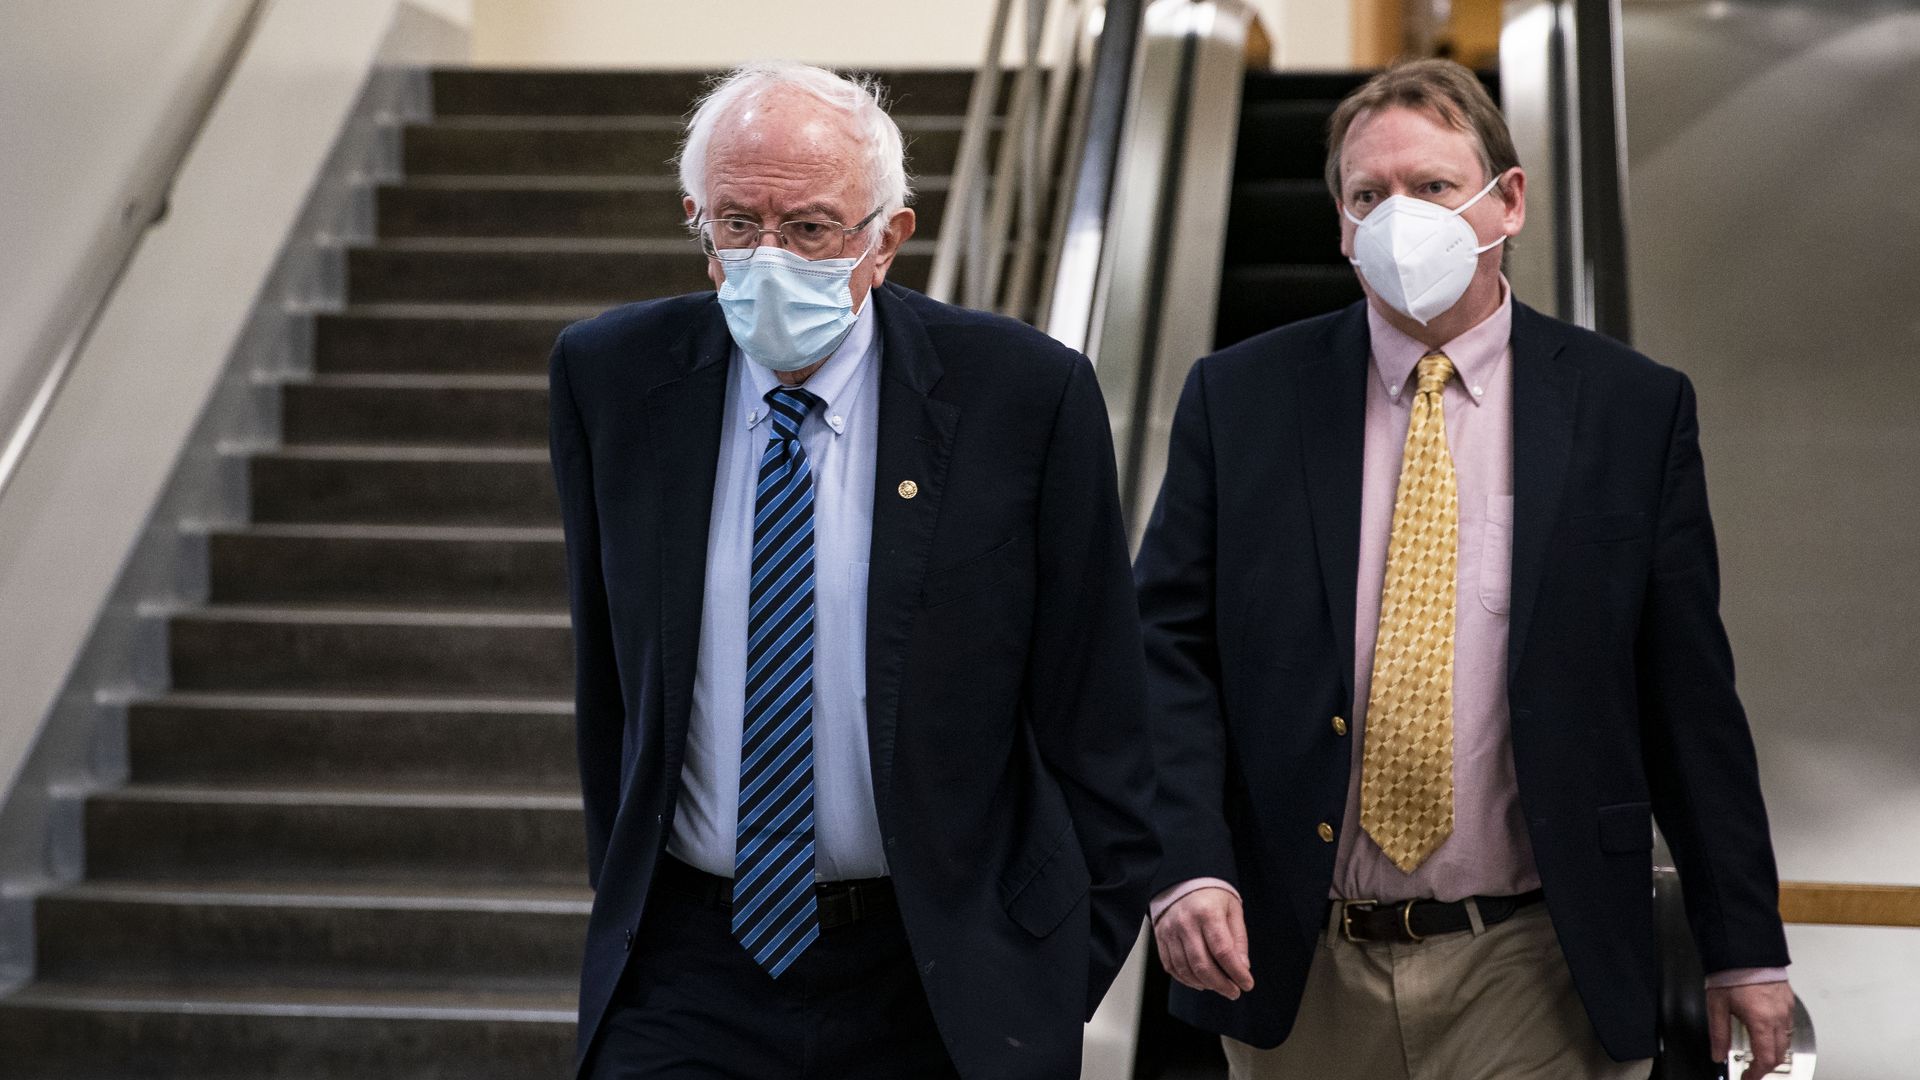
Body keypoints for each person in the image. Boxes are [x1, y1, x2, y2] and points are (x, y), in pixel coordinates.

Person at [1135, 60, 1795, 1079]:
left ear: (1509, 201)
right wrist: (1183, 867)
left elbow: (1688, 694)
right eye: (1368, 196)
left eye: (1433, 187)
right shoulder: (1242, 400)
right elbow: (1162, 655)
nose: (1401, 219)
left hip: (1538, 963)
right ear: (1344, 228)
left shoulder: (1629, 410)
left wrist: (1742, 944)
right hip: (1300, 966)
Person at [547, 61, 1158, 1080]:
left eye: (812, 228)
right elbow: (611, 688)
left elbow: (1100, 719)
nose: (769, 258)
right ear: (699, 225)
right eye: (738, 223)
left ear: (888, 239)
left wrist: (1044, 974)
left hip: (935, 969)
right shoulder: (612, 379)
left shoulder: (1025, 396)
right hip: (692, 965)